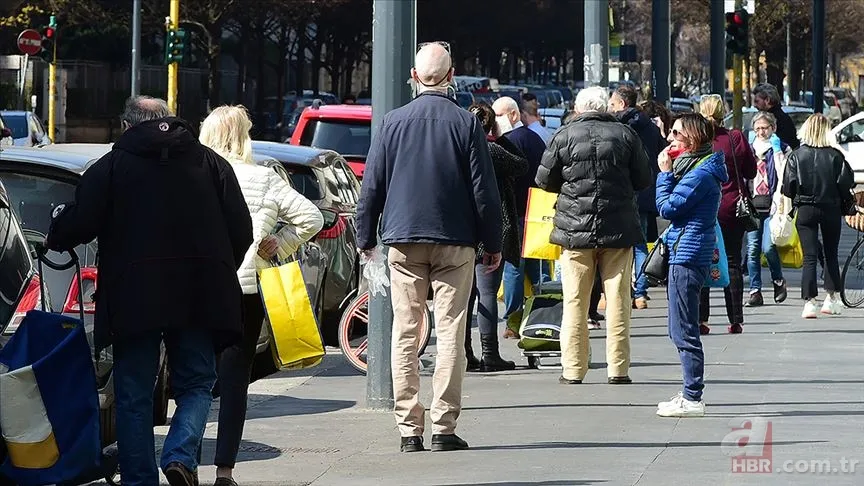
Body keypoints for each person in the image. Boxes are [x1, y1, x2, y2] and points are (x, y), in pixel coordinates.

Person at [45, 96, 253, 486]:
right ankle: (178, 453)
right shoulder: (211, 164)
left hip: (134, 296)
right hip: (199, 293)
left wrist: (56, 230)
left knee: (134, 394)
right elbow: (241, 229)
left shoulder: (111, 167)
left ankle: (139, 479)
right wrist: (218, 271)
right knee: (196, 383)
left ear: (127, 126)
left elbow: (81, 222)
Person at [356, 42, 502, 453]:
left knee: (406, 330)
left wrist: (365, 238)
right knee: (451, 330)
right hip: (455, 239)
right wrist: (493, 242)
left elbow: (372, 186)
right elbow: (484, 192)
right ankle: (444, 426)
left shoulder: (391, 123)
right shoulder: (466, 123)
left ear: (414, 76)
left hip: (402, 238)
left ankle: (408, 429)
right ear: (452, 76)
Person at [199, 106, 323, 486]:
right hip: (246, 291)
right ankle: (224, 471)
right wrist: (279, 243)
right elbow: (312, 218)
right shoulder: (264, 179)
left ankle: (183, 459)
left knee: (193, 380)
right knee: (235, 381)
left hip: (198, 291)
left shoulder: (194, 175)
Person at [535, 86, 652, 385]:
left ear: (578, 108)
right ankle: (619, 369)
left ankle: (573, 369)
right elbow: (643, 178)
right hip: (619, 230)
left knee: (574, 301)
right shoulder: (626, 135)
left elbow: (544, 180)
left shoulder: (563, 135)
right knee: (618, 300)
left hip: (575, 231)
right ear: (605, 108)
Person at [655, 114, 728, 418]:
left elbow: (668, 207)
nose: (669, 138)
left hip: (687, 252)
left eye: (675, 134)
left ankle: (692, 397)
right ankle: (688, 392)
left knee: (683, 328)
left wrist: (664, 175)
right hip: (685, 249)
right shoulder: (697, 168)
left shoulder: (699, 174)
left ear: (692, 139)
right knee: (679, 326)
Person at [464, 102, 528, 372]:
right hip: (493, 228)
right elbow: (522, 165)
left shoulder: (460, 150)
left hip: (464, 230)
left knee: (464, 296)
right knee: (487, 292)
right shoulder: (493, 150)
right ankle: (490, 352)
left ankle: (465, 352)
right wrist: (501, 136)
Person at [782, 114, 855, 318]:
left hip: (805, 209)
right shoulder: (835, 156)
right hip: (830, 208)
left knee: (810, 256)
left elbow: (788, 187)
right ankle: (831, 298)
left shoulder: (796, 155)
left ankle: (809, 302)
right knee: (831, 253)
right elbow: (845, 184)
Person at [697, 94, 756, 335]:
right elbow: (751, 171)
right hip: (732, 207)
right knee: (732, 261)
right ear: (724, 113)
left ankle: (701, 319)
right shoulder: (735, 138)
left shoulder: (697, 140)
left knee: (701, 261)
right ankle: (735, 320)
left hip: (703, 207)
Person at [492, 96, 549, 338]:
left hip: (513, 211)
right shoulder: (535, 139)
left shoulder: (506, 142)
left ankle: (513, 321)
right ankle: (544, 314)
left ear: (513, 115)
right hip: (536, 209)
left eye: (498, 115)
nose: (495, 121)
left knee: (514, 265)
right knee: (538, 265)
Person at [609, 84, 665, 309]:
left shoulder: (618, 126)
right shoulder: (650, 127)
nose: (609, 108)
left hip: (624, 192)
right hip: (646, 190)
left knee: (621, 245)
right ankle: (640, 292)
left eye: (612, 104)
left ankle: (623, 291)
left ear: (622, 104)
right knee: (640, 243)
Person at [745, 111, 790, 306]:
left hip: (773, 206)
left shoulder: (782, 149)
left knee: (768, 247)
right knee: (752, 249)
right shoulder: (748, 149)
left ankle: (778, 280)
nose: (761, 132)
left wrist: (778, 151)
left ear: (773, 128)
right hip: (753, 206)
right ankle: (755, 291)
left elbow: (784, 175)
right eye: (757, 129)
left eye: (765, 128)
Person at [753, 83, 800, 150]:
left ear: (767, 100)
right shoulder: (783, 118)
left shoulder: (780, 120)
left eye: (757, 101)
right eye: (757, 129)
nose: (754, 105)